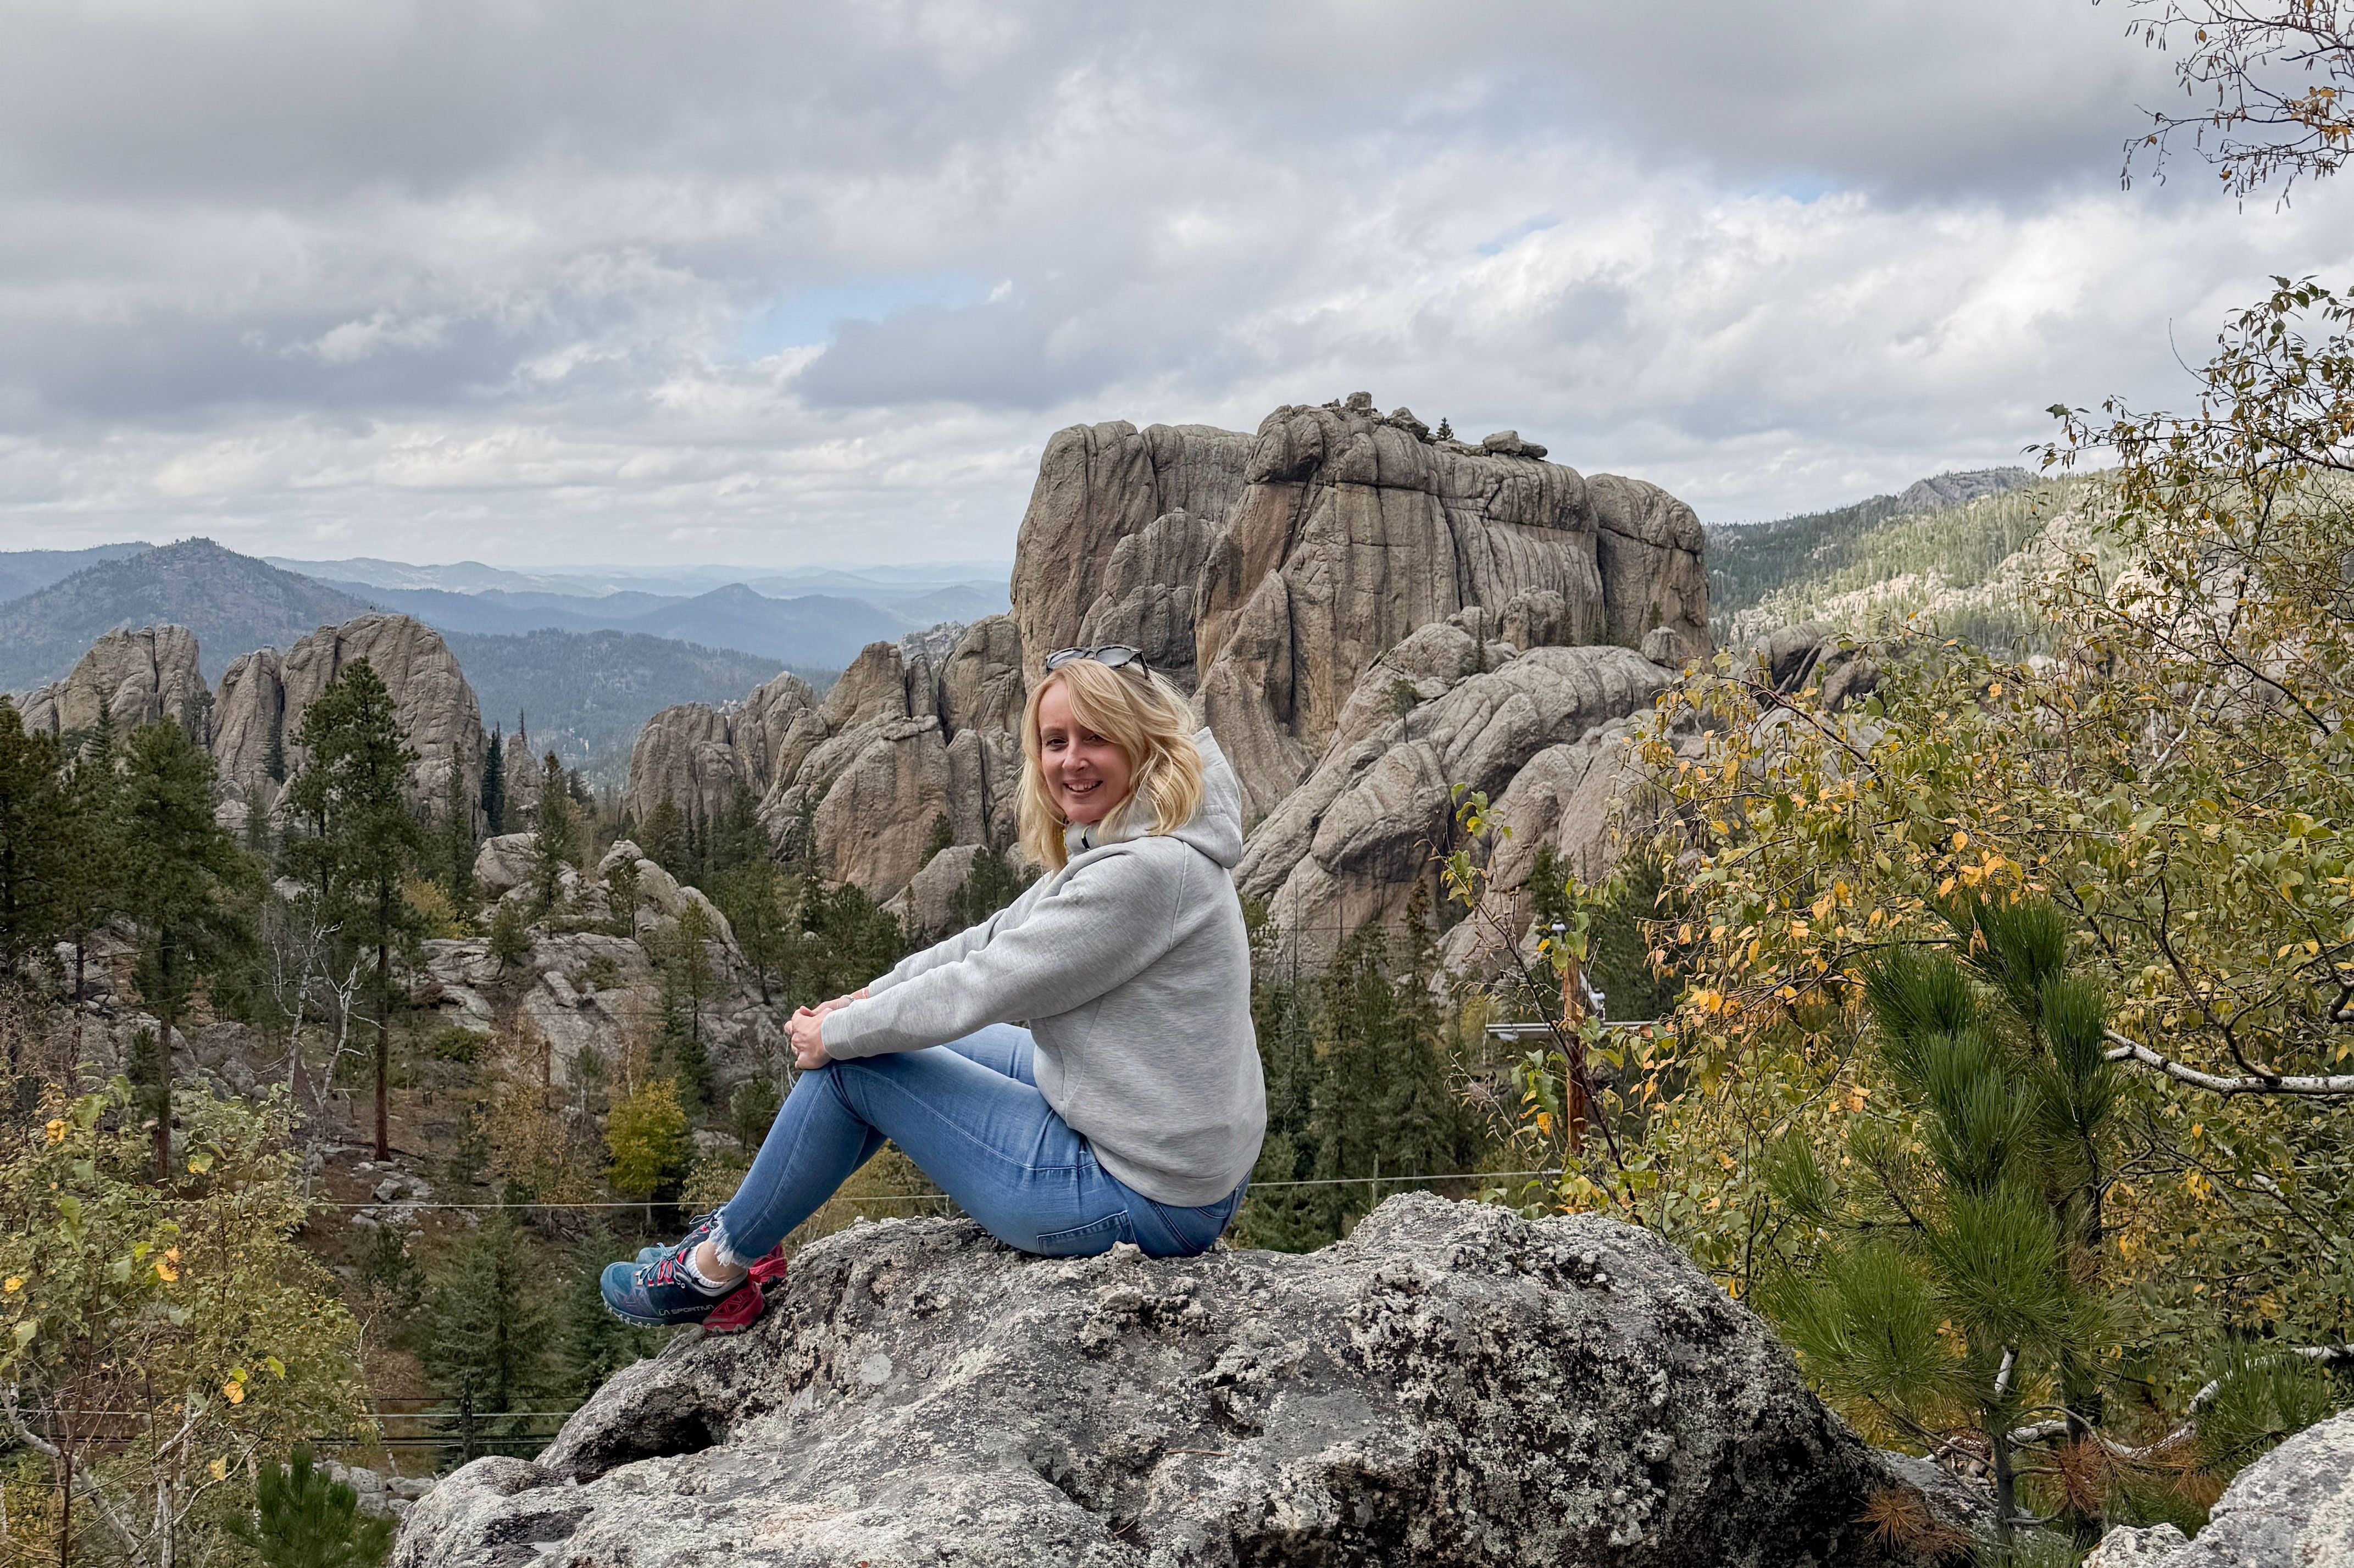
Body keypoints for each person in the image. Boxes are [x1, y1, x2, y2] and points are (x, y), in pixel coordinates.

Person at [601, 644, 1266, 1328]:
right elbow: (992, 937)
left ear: (1141, 742)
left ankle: (718, 1268)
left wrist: (834, 1034)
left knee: (850, 1072)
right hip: (1170, 1155)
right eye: (1055, 741)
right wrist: (865, 1000)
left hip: (1141, 1197)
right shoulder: (1142, 833)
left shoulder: (1144, 873)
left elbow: (982, 984)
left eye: (1095, 737)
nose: (1071, 760)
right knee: (888, 1040)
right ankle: (750, 1230)